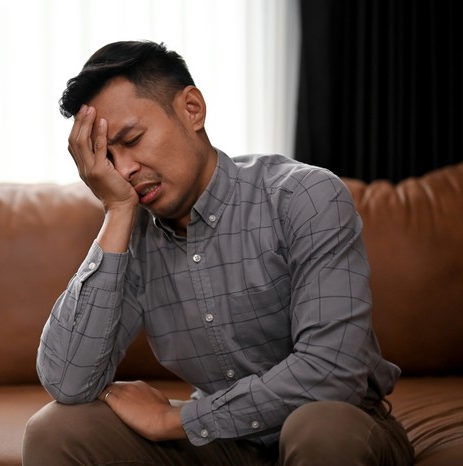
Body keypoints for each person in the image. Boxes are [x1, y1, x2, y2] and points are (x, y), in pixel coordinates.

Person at [22, 40, 414, 465]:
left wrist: (179, 420)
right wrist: (117, 211)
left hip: (339, 426)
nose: (124, 171)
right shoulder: (132, 232)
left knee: (318, 427)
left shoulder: (303, 195)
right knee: (55, 431)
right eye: (107, 160)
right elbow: (68, 383)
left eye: (131, 139)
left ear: (192, 109)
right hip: (224, 442)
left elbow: (332, 373)